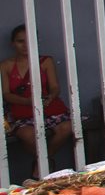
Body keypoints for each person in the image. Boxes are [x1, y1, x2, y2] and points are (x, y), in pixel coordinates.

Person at [2, 25, 73, 178]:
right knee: (28, 135)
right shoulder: (6, 65)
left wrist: (49, 98)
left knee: (67, 127)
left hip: (46, 106)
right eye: (21, 41)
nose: (26, 46)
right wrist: (27, 101)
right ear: (12, 43)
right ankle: (47, 162)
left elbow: (55, 88)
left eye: (30, 41)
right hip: (21, 109)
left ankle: (42, 162)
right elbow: (6, 94)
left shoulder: (45, 61)